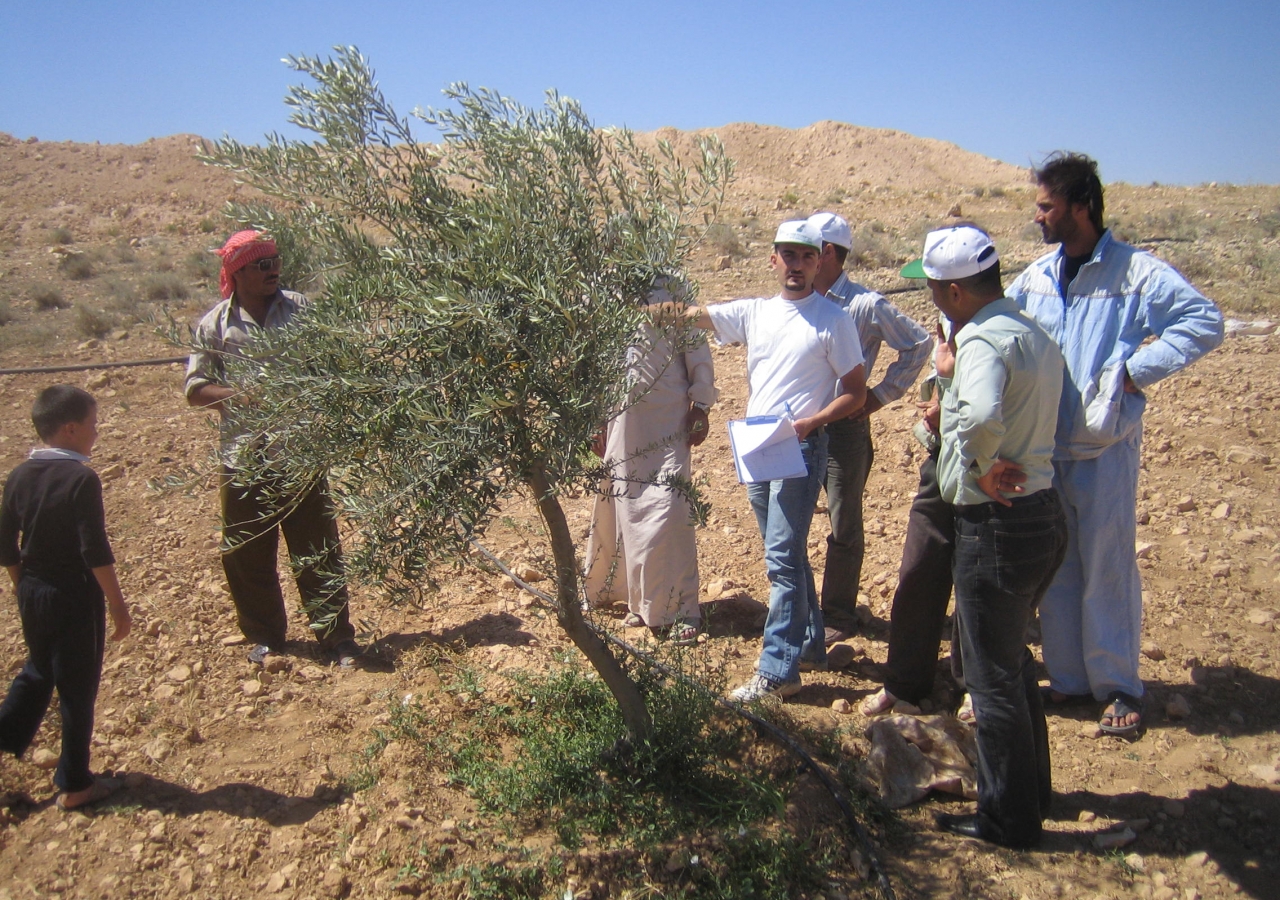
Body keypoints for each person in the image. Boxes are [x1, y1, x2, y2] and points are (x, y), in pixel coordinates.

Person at [1008, 152, 1224, 736]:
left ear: (1081, 206)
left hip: (1104, 448)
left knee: (1107, 566)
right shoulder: (1038, 277)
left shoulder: (1137, 273)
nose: (1039, 217)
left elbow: (1203, 321)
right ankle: (1072, 681)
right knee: (1057, 568)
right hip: (1045, 448)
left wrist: (1133, 371)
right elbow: (1005, 325)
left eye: (1047, 206)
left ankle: (1119, 687)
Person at [652, 220, 866, 702]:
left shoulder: (834, 320)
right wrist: (634, 309)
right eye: (788, 255)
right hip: (757, 446)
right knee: (785, 553)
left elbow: (855, 393)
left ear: (820, 261)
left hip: (801, 447)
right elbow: (693, 315)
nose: (796, 265)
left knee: (782, 559)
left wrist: (812, 423)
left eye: (806, 257)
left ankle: (777, 670)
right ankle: (808, 647)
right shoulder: (755, 313)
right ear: (773, 260)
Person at [904, 224, 1067, 849]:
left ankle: (1007, 822)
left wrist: (978, 463)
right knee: (1013, 666)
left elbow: (977, 416)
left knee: (991, 680)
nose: (934, 300)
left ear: (952, 291)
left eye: (935, 289)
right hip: (1043, 515)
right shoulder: (1030, 331)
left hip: (996, 524)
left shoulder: (979, 342)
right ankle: (1034, 797)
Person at [186, 230, 362, 668]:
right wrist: (241, 397)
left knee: (318, 547)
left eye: (276, 262)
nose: (273, 271)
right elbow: (195, 388)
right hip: (243, 457)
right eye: (262, 265)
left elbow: (331, 363)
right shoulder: (214, 325)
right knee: (246, 553)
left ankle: (337, 638)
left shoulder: (301, 309)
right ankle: (265, 637)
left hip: (300, 454)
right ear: (237, 272)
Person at [0, 386, 132, 811]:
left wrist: (22, 585)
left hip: (34, 590)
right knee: (77, 688)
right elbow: (94, 549)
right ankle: (76, 782)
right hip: (75, 595)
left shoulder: (19, 475)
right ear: (71, 429)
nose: (97, 433)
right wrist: (116, 603)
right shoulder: (81, 478)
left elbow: (6, 543)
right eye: (93, 425)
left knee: (38, 670)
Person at [805, 213, 931, 644]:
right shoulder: (796, 300)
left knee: (844, 523)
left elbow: (918, 343)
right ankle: (799, 607)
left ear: (826, 253)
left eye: (808, 247)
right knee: (790, 517)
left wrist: (878, 397)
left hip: (843, 432)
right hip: (801, 428)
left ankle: (837, 613)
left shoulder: (864, 304)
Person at [583, 277, 718, 645]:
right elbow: (594, 358)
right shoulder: (602, 286)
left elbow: (696, 347)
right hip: (621, 419)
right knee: (625, 507)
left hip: (669, 420)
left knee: (670, 509)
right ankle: (640, 603)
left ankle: (678, 609)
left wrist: (701, 404)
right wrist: (596, 418)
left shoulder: (673, 287)